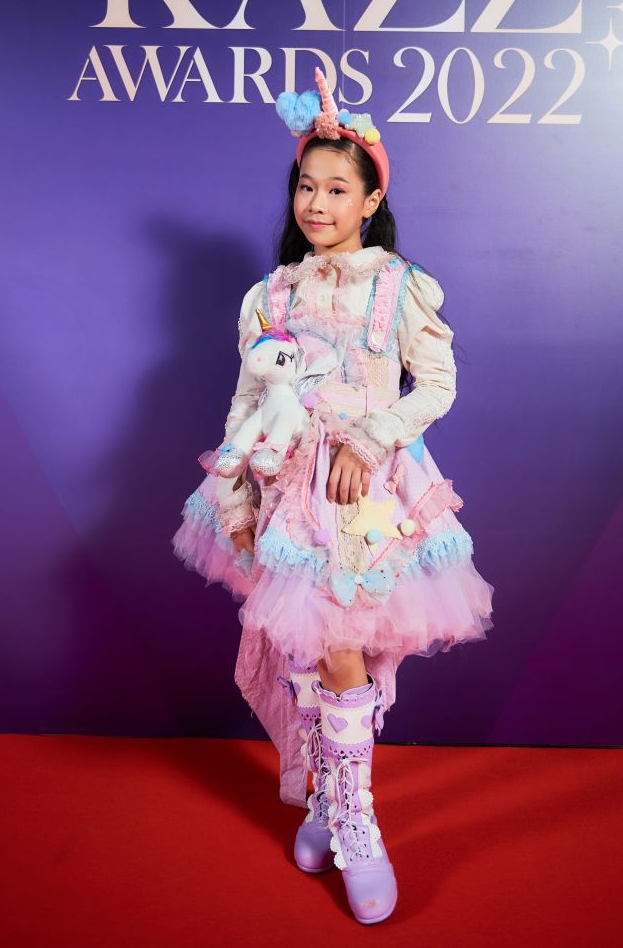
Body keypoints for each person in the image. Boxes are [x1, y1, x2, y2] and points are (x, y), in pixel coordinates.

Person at [172, 67, 495, 925]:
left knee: (343, 644)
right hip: (288, 492)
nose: (317, 203)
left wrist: (370, 436)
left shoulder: (398, 284)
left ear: (371, 198)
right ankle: (322, 798)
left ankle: (358, 822)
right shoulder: (273, 293)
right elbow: (248, 398)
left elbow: (436, 384)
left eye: (337, 188)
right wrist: (236, 491)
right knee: (305, 648)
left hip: (364, 493)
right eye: (306, 186)